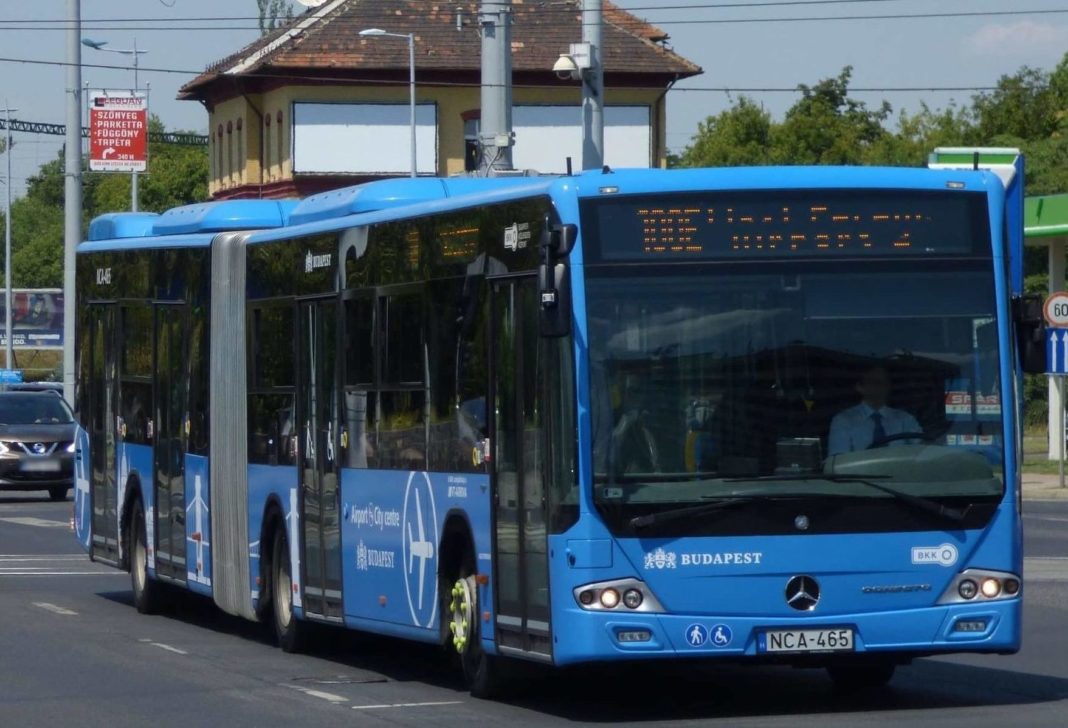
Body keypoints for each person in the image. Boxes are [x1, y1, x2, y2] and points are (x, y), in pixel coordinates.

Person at [827, 365, 921, 455]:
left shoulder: (905, 419)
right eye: (875, 382)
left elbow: (922, 451)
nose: (880, 387)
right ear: (860, 387)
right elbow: (839, 463)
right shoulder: (843, 421)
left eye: (884, 382)